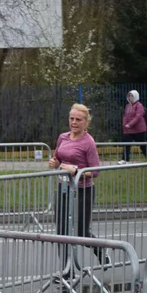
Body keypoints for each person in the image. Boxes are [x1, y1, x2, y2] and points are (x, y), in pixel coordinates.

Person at [48, 103, 106, 262]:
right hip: (64, 188)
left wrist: (76, 172)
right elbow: (57, 157)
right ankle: (67, 271)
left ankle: (99, 249)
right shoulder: (63, 137)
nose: (74, 122)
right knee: (61, 230)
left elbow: (95, 172)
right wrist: (54, 162)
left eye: (78, 120)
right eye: (71, 118)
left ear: (86, 122)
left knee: (81, 232)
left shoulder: (88, 142)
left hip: (83, 191)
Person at [120, 90, 147, 163]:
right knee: (126, 143)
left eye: (132, 96)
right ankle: (125, 159)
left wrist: (130, 124)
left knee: (142, 144)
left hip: (138, 129)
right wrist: (124, 124)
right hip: (129, 130)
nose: (130, 97)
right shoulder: (127, 106)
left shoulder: (139, 105)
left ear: (136, 96)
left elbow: (138, 117)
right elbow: (125, 116)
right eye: (129, 96)